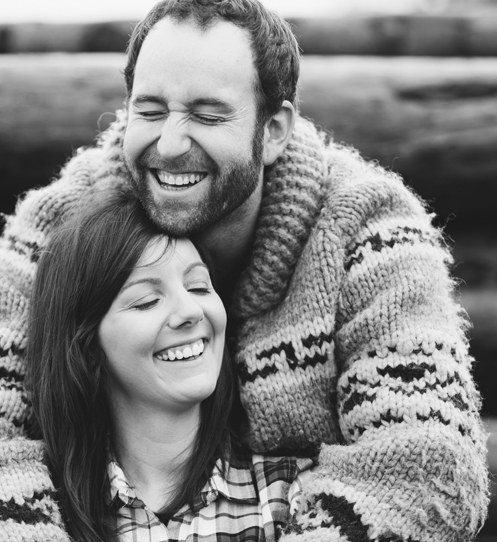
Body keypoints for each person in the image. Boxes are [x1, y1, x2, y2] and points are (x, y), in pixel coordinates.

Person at [0, 0, 489, 542]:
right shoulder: (62, 229)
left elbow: (429, 464)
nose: (171, 144)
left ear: (273, 130)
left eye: (207, 115)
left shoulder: (369, 231)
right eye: (149, 111)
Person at [26, 187, 312, 542]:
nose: (191, 311)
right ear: (87, 345)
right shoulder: (36, 508)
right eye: (147, 301)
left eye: (198, 286)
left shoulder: (292, 498)